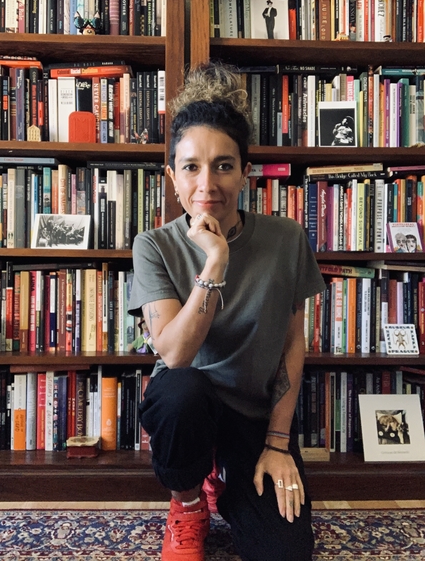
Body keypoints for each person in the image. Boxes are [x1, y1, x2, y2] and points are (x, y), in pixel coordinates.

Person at [129, 61, 326, 561]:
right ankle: (188, 502)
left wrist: (278, 444)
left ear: (245, 172)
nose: (207, 184)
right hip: (189, 406)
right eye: (191, 166)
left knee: (284, 553)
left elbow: (292, 342)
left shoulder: (284, 239)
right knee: (179, 392)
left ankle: (227, 477)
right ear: (172, 176)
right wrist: (215, 261)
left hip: (255, 417)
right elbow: (173, 354)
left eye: (223, 165)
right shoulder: (153, 246)